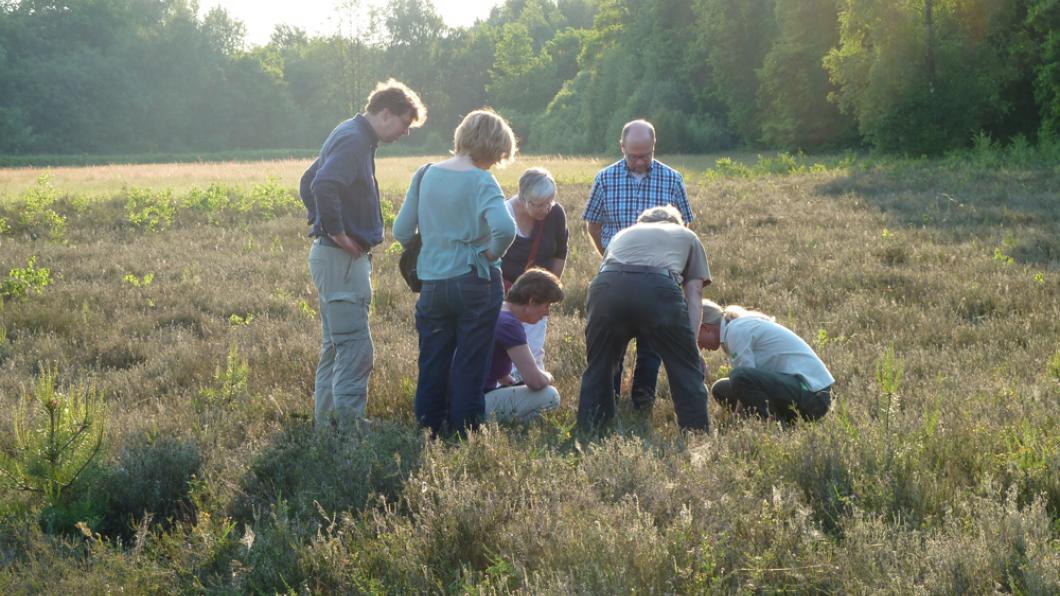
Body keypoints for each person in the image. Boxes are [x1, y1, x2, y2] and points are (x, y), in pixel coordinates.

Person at [300, 78, 426, 429]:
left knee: (335, 348)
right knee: (355, 350)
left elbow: (307, 180)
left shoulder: (351, 134)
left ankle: (327, 427)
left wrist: (328, 228)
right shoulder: (355, 140)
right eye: (404, 123)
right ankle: (350, 431)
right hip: (340, 262)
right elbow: (322, 184)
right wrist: (338, 233)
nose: (404, 132)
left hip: (335, 260)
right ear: (386, 113)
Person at [393, 108, 518, 436]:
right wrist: (489, 253)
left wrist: (431, 246)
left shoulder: (425, 174)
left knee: (432, 362)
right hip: (476, 281)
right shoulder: (481, 179)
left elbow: (401, 230)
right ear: (493, 148)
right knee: (471, 364)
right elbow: (506, 228)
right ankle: (465, 437)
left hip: (433, 284)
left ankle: (429, 432)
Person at [582, 119, 695, 413]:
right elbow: (592, 225)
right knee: (610, 344)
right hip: (616, 274)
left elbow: (686, 231)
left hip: (658, 281)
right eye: (633, 155)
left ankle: (642, 402)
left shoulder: (672, 179)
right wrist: (609, 257)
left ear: (654, 147)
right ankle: (609, 400)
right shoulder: (605, 179)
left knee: (651, 345)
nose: (640, 160)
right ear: (622, 147)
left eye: (646, 154)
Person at [578, 206, 711, 432]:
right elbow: (694, 294)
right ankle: (695, 433)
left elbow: (606, 272)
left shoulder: (623, 234)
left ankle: (590, 430)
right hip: (656, 288)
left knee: (600, 364)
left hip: (606, 287)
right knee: (684, 369)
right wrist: (690, 347)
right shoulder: (687, 236)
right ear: (676, 224)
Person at [697, 300, 834, 422]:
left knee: (739, 377)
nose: (700, 347)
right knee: (721, 388)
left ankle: (774, 426)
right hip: (803, 390)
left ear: (704, 328)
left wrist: (735, 419)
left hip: (814, 396)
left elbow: (745, 379)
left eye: (696, 339)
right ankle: (777, 419)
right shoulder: (734, 328)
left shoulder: (735, 331)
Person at [501, 167, 568, 371]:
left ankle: (532, 392)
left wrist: (548, 291)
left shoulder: (555, 213)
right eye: (538, 205)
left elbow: (560, 252)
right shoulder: (503, 214)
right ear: (522, 198)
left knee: (534, 351)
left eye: (549, 203)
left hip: (537, 298)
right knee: (505, 350)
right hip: (505, 297)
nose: (545, 210)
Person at [483, 269, 565, 422]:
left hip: (459, 398)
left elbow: (494, 369)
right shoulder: (510, 324)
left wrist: (511, 384)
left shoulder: (497, 310)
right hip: (477, 404)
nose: (547, 313)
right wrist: (548, 376)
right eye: (547, 306)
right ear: (531, 301)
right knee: (550, 396)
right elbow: (535, 381)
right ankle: (510, 433)